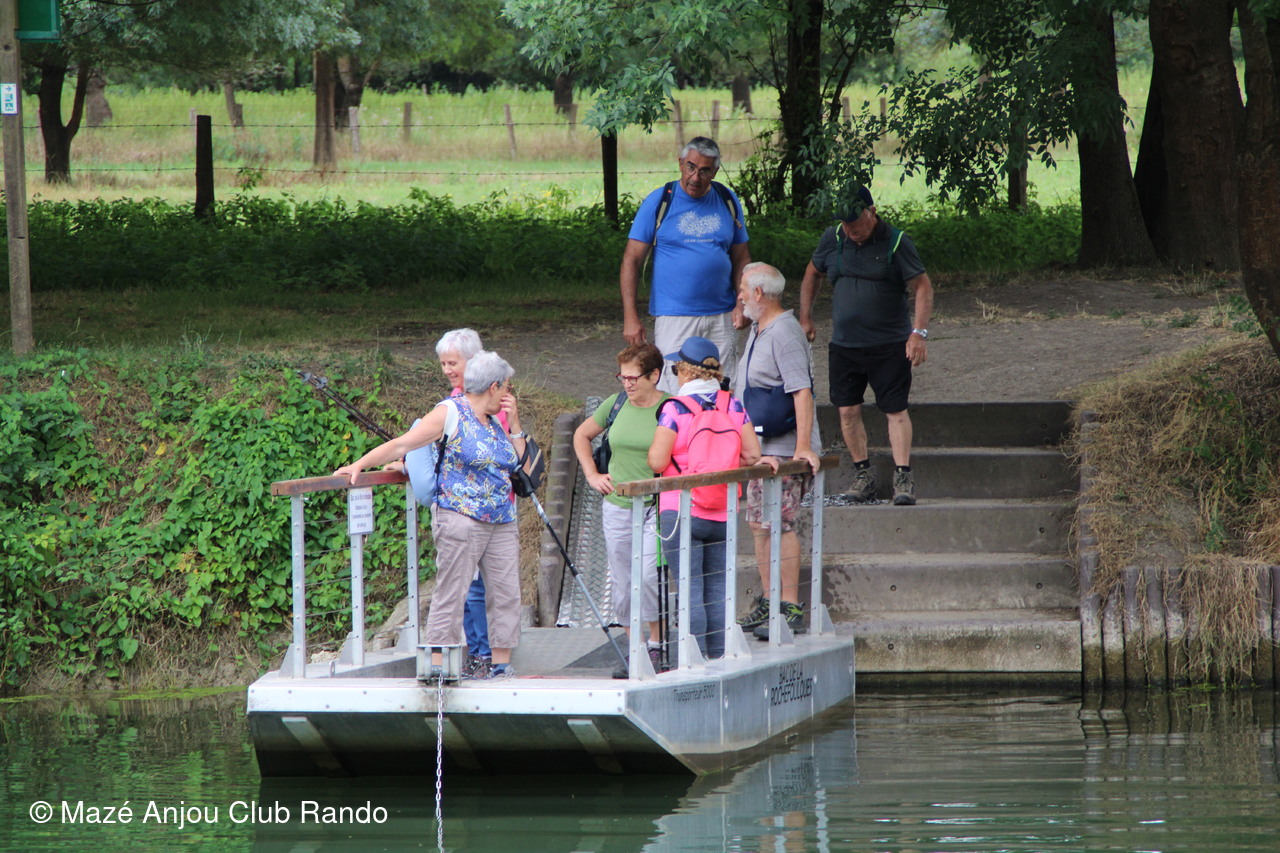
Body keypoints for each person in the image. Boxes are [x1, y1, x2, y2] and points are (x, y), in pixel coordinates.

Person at [335, 351, 529, 679]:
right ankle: (438, 666)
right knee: (452, 591)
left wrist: (518, 425)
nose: (510, 394)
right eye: (507, 387)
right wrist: (359, 465)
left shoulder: (496, 422)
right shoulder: (450, 412)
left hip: (501, 519)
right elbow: (403, 445)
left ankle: (501, 665)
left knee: (506, 592)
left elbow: (519, 464)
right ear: (493, 387)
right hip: (459, 517)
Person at [798, 184, 934, 506]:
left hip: (889, 344)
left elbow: (923, 286)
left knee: (895, 410)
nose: (851, 231)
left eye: (856, 224)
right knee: (847, 410)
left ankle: (903, 476)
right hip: (845, 346)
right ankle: (863, 474)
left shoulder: (896, 241)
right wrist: (806, 317)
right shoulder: (833, 238)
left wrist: (918, 333)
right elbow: (812, 273)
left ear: (872, 212)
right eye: (845, 225)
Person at [648, 337, 761, 661]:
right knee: (717, 589)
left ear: (685, 372)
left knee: (690, 588)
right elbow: (752, 455)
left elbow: (657, 461)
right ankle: (718, 657)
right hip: (722, 510)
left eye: (675, 369)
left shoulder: (675, 409)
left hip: (681, 509)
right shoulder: (732, 405)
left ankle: (693, 663)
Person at [620, 136, 751, 393]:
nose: (695, 177)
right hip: (674, 315)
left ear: (715, 171)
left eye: (704, 170)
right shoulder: (660, 202)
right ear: (680, 163)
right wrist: (630, 317)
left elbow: (741, 257)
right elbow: (631, 260)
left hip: (722, 315)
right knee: (675, 388)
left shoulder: (727, 199)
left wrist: (741, 303)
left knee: (723, 387)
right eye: (691, 167)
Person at [733, 262, 822, 639]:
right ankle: (770, 602)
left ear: (759, 293)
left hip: (784, 449)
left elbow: (802, 391)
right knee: (758, 523)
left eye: (742, 289)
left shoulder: (784, 332)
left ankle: (789, 606)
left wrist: (802, 447)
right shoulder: (759, 328)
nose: (738, 295)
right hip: (761, 449)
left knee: (780, 523)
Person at [572, 344, 669, 677]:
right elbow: (581, 436)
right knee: (624, 580)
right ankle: (635, 648)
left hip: (656, 505)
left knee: (649, 576)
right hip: (617, 505)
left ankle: (657, 644)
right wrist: (592, 475)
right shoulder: (616, 404)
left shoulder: (670, 407)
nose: (627, 384)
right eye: (622, 377)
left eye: (633, 378)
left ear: (654, 375)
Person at [434, 328, 510, 678]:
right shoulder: (452, 405)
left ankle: (491, 658)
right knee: (461, 590)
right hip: (461, 512)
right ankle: (454, 660)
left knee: (491, 590)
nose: (448, 370)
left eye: (454, 363)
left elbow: (508, 455)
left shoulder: (495, 406)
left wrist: (516, 425)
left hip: (496, 512)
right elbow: (422, 441)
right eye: (444, 363)